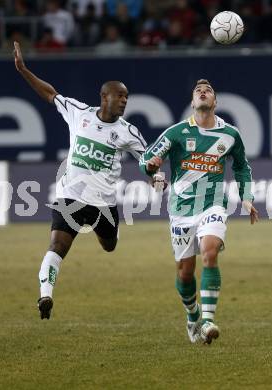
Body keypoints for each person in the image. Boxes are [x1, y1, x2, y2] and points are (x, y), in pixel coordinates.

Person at [13, 41, 164, 319]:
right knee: (57, 246)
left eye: (127, 98)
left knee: (109, 246)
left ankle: (106, 234)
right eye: (120, 96)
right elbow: (50, 93)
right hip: (70, 198)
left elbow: (148, 160)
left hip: (104, 205)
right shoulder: (78, 112)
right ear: (104, 96)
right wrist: (23, 69)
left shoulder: (128, 131)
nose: (124, 101)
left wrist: (156, 174)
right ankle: (45, 295)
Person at [140, 79, 258, 344]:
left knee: (210, 250)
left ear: (214, 101)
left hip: (213, 205)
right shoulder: (176, 133)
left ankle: (207, 320)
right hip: (181, 208)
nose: (203, 92)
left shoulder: (230, 134)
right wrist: (152, 167)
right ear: (193, 103)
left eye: (208, 91)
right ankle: (192, 315)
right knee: (184, 271)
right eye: (197, 91)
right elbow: (145, 160)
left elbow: (242, 167)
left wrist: (246, 198)